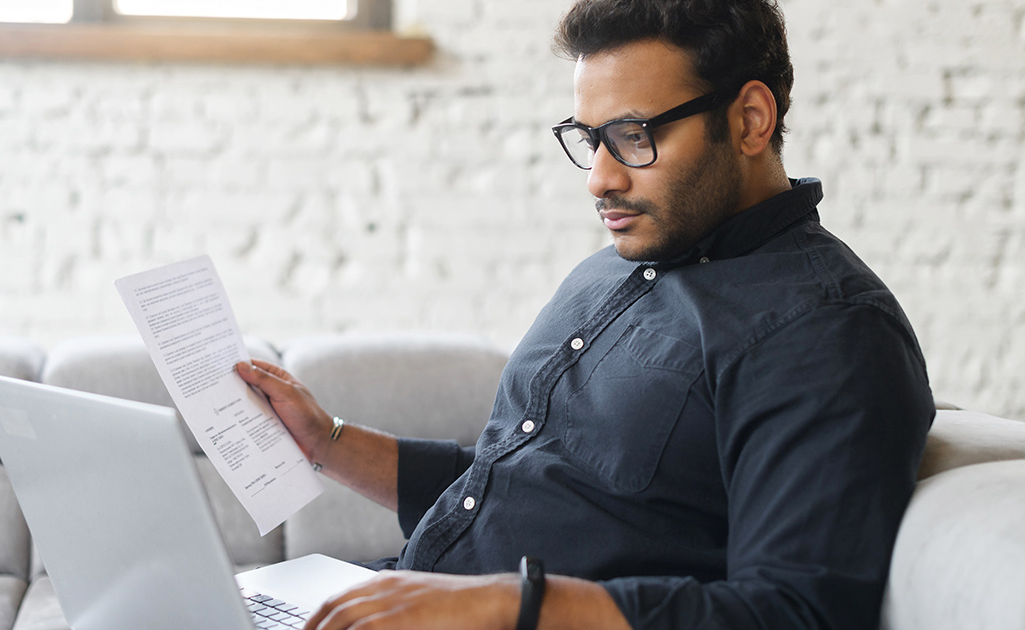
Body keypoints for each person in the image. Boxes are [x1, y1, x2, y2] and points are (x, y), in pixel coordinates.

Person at [236, 0, 935, 628]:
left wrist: (515, 604)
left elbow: (796, 611)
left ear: (751, 119)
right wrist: (325, 441)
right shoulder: (619, 264)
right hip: (402, 600)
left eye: (635, 135)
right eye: (588, 136)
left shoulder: (826, 331)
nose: (601, 176)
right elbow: (518, 488)